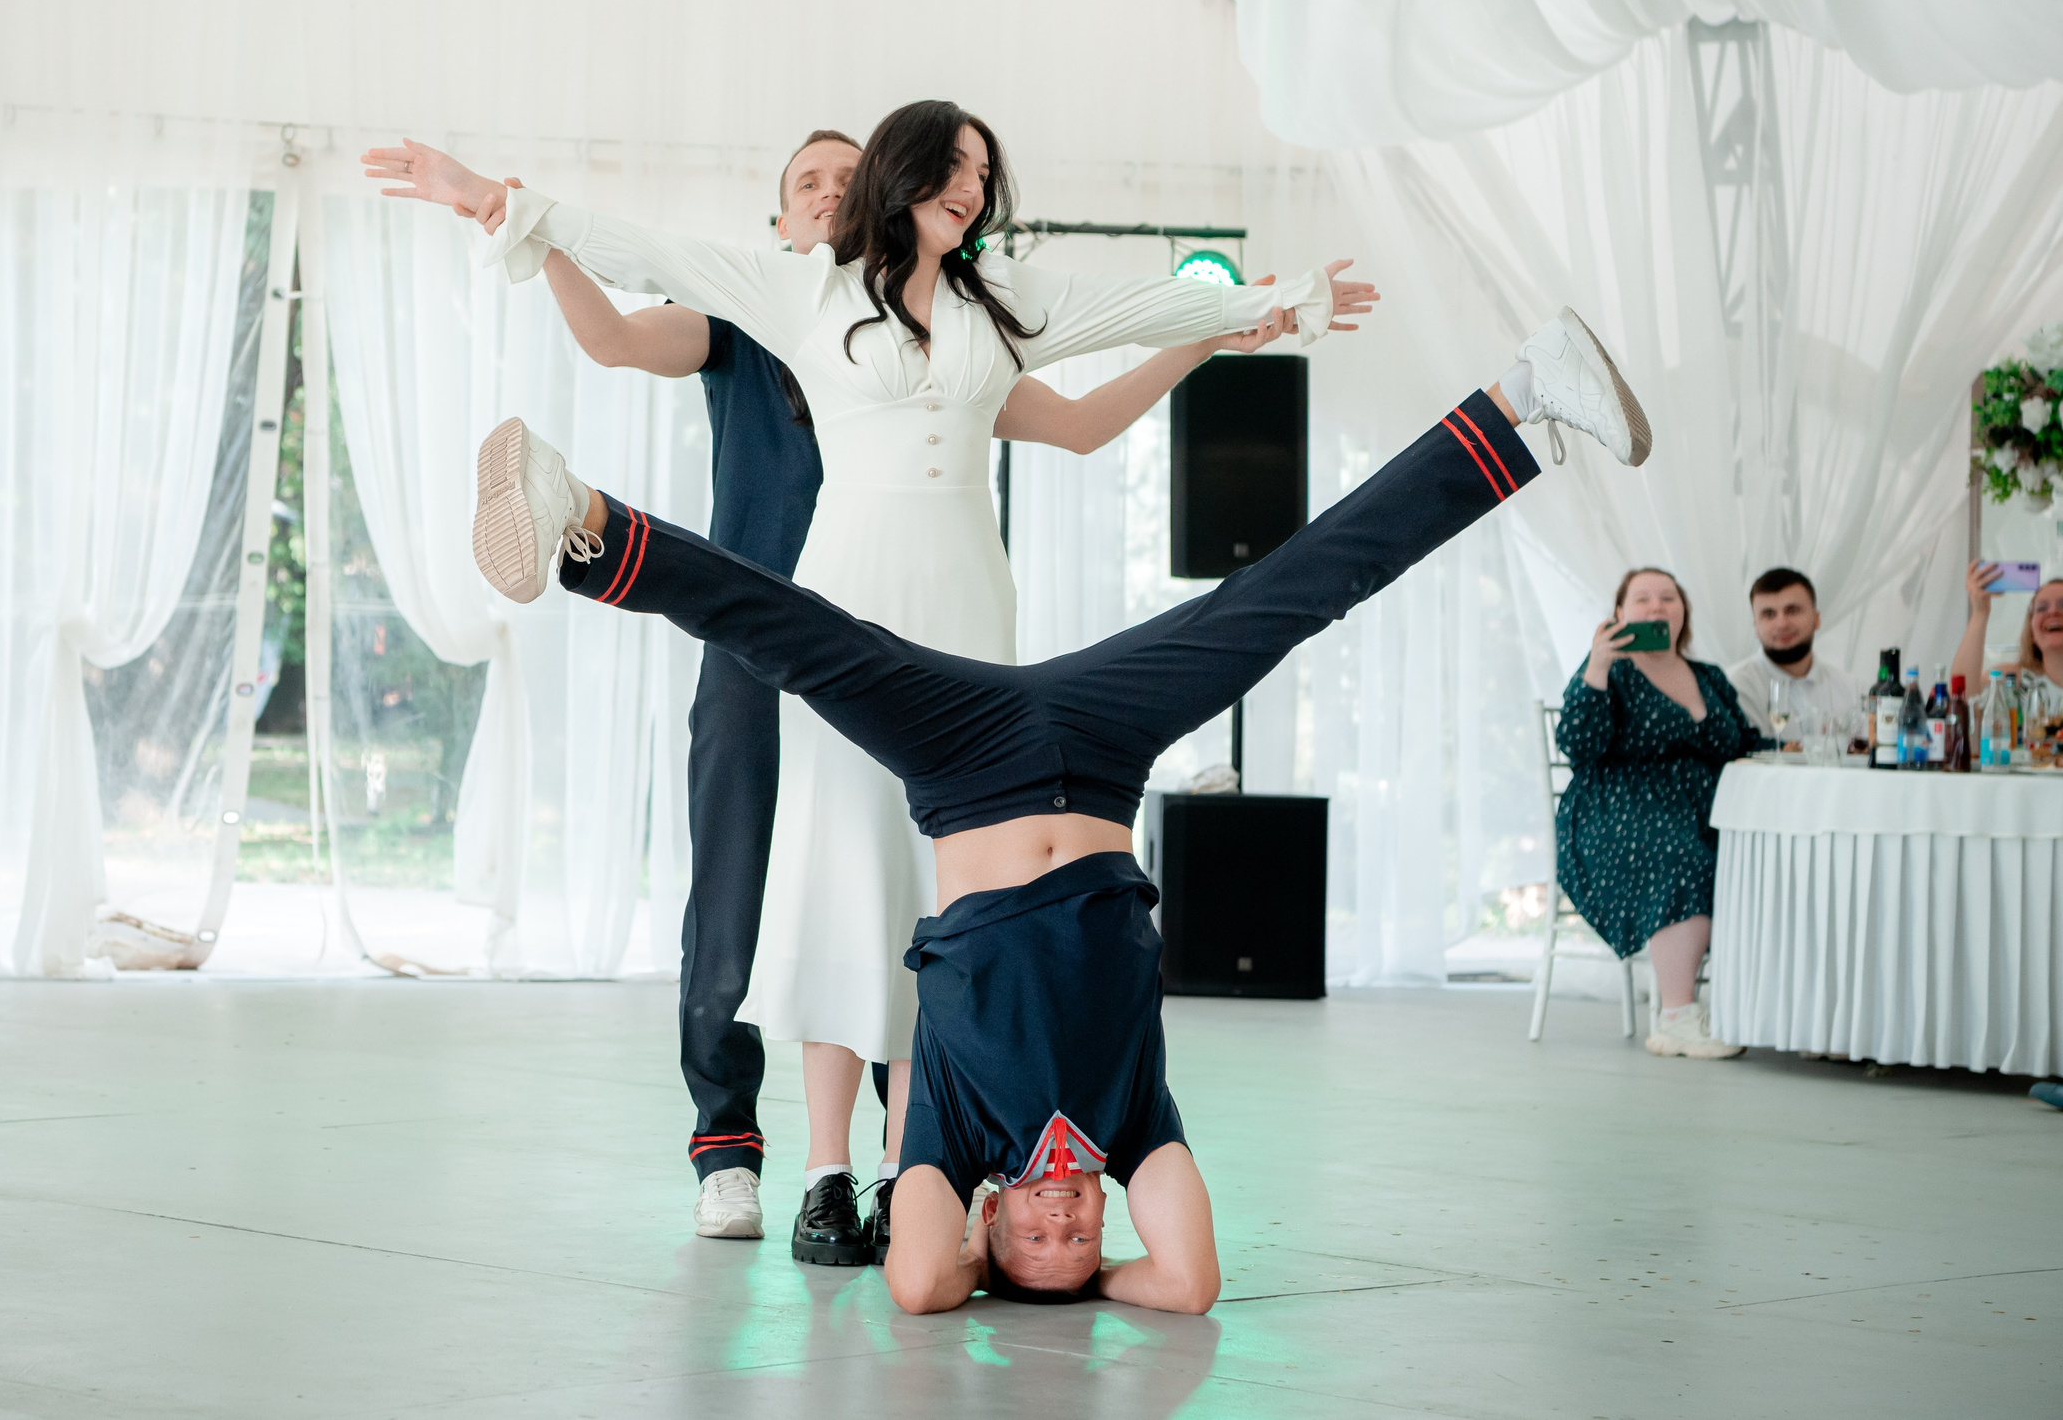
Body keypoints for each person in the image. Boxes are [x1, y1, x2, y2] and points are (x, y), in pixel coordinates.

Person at [463, 303, 1647, 1309]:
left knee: (802, 638)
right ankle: (1523, 396)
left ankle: (581, 518)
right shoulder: (1134, 1125)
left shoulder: (954, 1137)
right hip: (1106, 745)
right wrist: (1102, 1278)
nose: (1063, 1223)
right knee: (1289, 595)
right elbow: (1188, 1281)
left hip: (965, 761)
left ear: (990, 1219)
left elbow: (917, 1282)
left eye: (1035, 1236)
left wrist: (980, 1257)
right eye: (1079, 1239)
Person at [371, 102, 1362, 1267]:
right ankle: (819, 1171)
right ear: (903, 174)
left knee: (941, 885)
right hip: (844, 591)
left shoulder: (1003, 302)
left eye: (984, 173)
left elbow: (1137, 310)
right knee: (835, 865)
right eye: (954, 167)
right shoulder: (801, 291)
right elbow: (641, 251)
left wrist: (1263, 307)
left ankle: (911, 1166)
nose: (972, 188)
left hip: (967, 601)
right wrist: (496, 200)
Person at [1554, 567, 1770, 1061]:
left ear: (1683, 612)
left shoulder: (1708, 676)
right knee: (1681, 860)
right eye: (1643, 599)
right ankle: (1676, 1018)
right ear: (1619, 614)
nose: (1656, 607)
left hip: (1704, 810)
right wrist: (1597, 665)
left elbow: (1739, 742)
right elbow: (1578, 745)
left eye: (1668, 598)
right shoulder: (1609, 672)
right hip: (1622, 812)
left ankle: (1756, 1006)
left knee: (1762, 859)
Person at [1726, 567, 1864, 742]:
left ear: (1816, 619)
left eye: (1792, 610)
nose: (1782, 624)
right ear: (1756, 626)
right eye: (1769, 614)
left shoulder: (1851, 689)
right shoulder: (1736, 687)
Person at [1954, 561, 2063, 696]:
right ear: (2032, 634)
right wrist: (1980, 613)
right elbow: (1962, 696)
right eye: (2041, 608)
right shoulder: (2011, 680)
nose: (2052, 612)